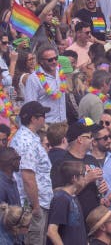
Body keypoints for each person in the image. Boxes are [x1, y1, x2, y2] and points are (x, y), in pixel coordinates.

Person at [11, 102, 52, 245]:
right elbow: (28, 178)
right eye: (43, 116)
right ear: (34, 119)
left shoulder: (29, 137)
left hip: (36, 203)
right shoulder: (26, 142)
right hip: (32, 205)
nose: (45, 119)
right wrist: (35, 207)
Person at [46, 160, 87, 245]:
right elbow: (52, 231)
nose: (85, 178)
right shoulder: (61, 198)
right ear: (74, 178)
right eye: (83, 175)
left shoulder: (73, 197)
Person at [23, 46, 68, 122]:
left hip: (62, 122)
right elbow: (30, 105)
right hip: (46, 124)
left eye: (56, 58)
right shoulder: (34, 79)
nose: (54, 61)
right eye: (50, 60)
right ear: (41, 61)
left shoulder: (60, 71)